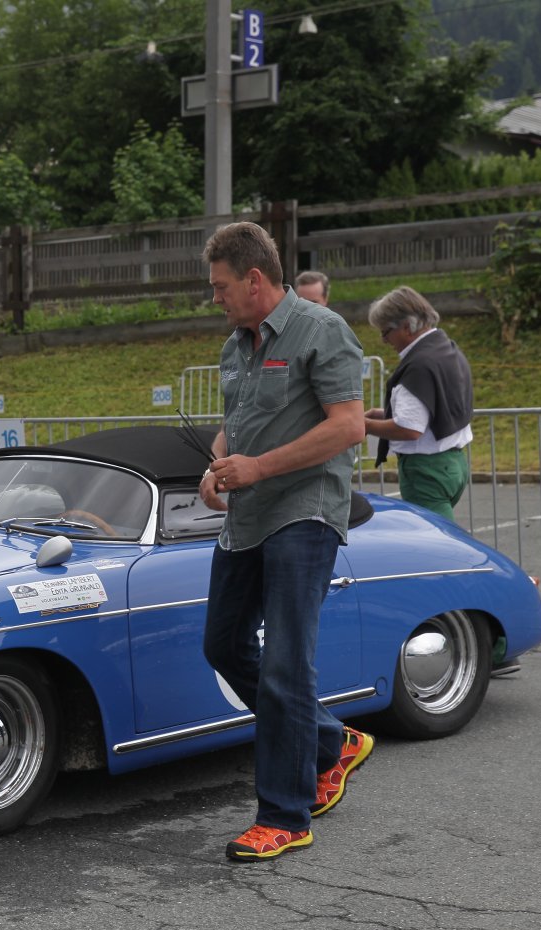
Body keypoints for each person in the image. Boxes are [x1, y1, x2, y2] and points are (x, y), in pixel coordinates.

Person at [197, 222, 373, 862]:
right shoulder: (234, 345)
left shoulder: (323, 330)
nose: (215, 297)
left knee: (285, 665)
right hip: (246, 517)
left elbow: (348, 427)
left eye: (221, 286)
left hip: (304, 512)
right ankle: (330, 741)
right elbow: (236, 423)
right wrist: (218, 465)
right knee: (222, 644)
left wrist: (259, 468)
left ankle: (284, 816)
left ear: (254, 279)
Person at [364, 286, 474, 522]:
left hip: (426, 471)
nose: (384, 340)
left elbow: (409, 428)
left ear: (407, 326)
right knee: (440, 533)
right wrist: (384, 414)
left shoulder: (418, 365)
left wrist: (363, 425)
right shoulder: (447, 349)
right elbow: (434, 410)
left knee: (434, 538)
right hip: (453, 463)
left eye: (386, 332)